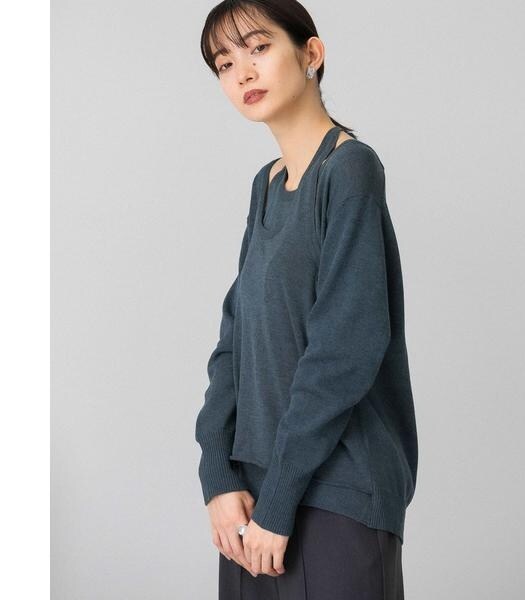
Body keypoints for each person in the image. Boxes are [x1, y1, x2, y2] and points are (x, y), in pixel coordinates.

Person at [194, 1, 418, 598]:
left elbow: (344, 350)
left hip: (336, 488)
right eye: (224, 62)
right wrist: (217, 475)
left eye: (258, 47)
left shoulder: (349, 170)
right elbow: (234, 342)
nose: (242, 71)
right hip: (253, 491)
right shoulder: (265, 185)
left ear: (311, 53)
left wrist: (279, 500)